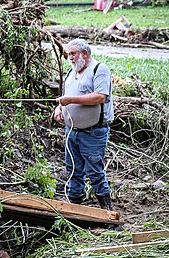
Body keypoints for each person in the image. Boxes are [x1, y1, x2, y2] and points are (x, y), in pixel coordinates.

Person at [53, 38, 115, 210]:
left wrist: (71, 100)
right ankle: (75, 207)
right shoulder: (72, 72)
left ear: (84, 54)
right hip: (72, 130)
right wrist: (59, 109)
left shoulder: (99, 69)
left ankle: (107, 212)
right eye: (69, 54)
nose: (70, 57)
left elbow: (100, 97)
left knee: (95, 171)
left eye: (73, 53)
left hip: (93, 132)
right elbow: (65, 96)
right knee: (73, 168)